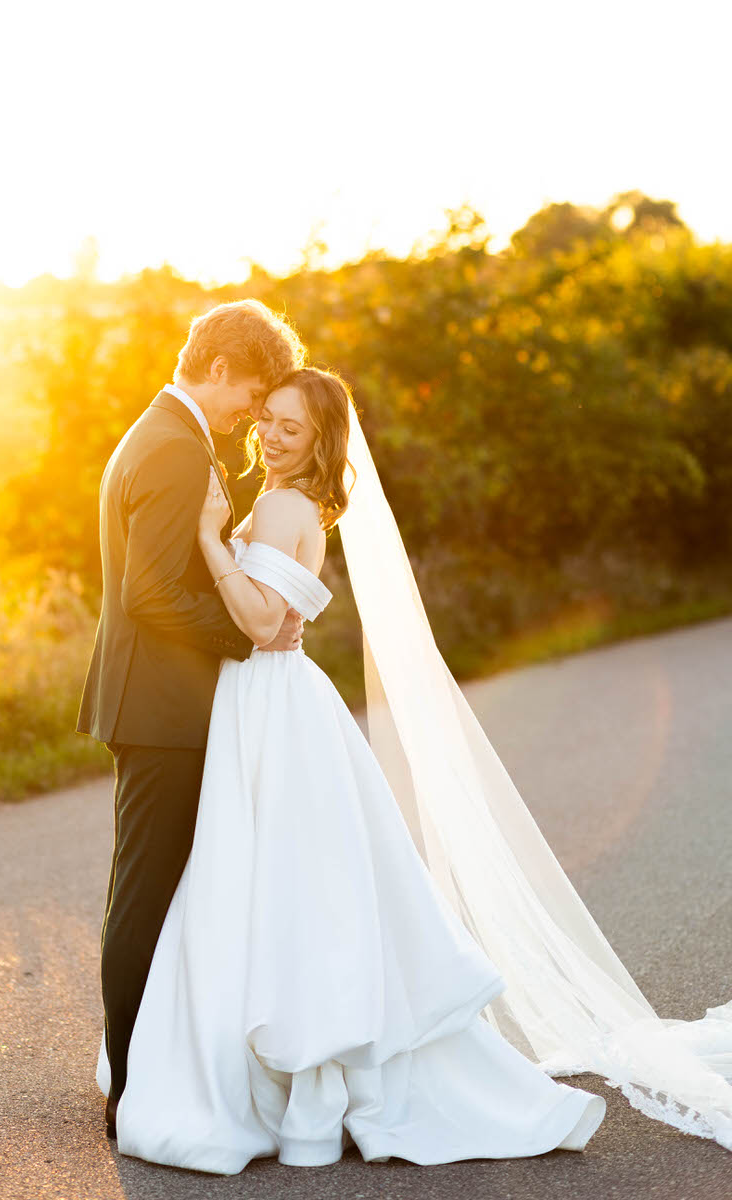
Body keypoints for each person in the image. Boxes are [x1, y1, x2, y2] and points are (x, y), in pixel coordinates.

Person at [95, 367, 609, 1172]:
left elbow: (266, 623)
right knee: (288, 881)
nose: (267, 433)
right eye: (266, 418)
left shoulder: (278, 505)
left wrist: (204, 538)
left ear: (320, 441)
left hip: (267, 697)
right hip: (275, 701)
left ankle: (264, 1066)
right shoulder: (289, 502)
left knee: (262, 879)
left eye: (289, 428)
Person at [76, 299, 307, 1139]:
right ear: (219, 370)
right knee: (144, 895)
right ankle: (133, 1090)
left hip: (150, 699)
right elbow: (150, 594)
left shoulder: (161, 431)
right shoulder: (175, 446)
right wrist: (249, 636)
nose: (252, 412)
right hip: (164, 706)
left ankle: (137, 1069)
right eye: (250, 394)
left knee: (143, 889)